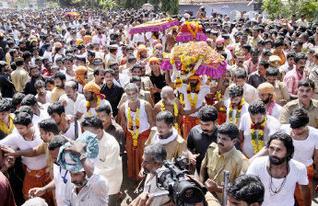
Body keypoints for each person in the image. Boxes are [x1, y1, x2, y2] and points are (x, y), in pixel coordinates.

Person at [0, 112, 53, 204]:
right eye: (17, 128)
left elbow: (35, 151)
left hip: (49, 173)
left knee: (53, 198)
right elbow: (1, 144)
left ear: (30, 125)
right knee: (30, 198)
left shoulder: (41, 133)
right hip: (31, 174)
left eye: (21, 128)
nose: (19, 131)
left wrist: (16, 153)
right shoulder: (16, 136)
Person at [247, 132, 311, 206]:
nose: (273, 153)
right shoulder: (257, 164)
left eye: (278, 150)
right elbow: (246, 189)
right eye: (271, 148)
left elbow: (305, 191)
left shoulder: (299, 168)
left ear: (288, 152)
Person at [200, 123, 248, 206]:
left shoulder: (241, 161)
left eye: (224, 139)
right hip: (209, 197)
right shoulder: (211, 150)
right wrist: (201, 186)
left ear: (234, 141)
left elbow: (241, 190)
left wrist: (217, 189)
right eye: (218, 137)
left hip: (229, 201)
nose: (219, 141)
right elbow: (203, 167)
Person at [58, 132, 109, 206]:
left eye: (76, 174)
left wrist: (81, 154)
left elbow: (95, 177)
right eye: (71, 174)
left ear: (85, 171)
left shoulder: (99, 185)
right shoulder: (72, 186)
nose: (72, 180)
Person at [81, 117, 122, 205]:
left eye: (88, 133)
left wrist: (88, 173)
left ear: (99, 131)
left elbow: (110, 169)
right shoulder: (89, 139)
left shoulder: (111, 145)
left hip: (110, 185)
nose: (85, 135)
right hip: (93, 183)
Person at [118, 83, 153, 180]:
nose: (131, 96)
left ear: (138, 93)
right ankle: (134, 177)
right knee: (131, 157)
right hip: (130, 136)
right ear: (126, 95)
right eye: (129, 94)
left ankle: (146, 178)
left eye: (133, 93)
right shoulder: (123, 107)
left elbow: (152, 122)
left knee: (145, 158)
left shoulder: (146, 105)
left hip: (144, 136)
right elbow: (123, 124)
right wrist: (123, 141)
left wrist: (153, 139)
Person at [28, 135, 71, 206]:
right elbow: (59, 179)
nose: (54, 160)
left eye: (57, 157)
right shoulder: (57, 164)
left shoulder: (78, 171)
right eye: (53, 157)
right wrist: (44, 189)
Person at [187, 106, 218, 173]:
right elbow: (188, 148)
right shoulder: (194, 131)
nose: (203, 127)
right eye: (201, 124)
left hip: (217, 172)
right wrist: (190, 155)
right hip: (199, 170)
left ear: (215, 122)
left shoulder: (223, 135)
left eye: (207, 125)